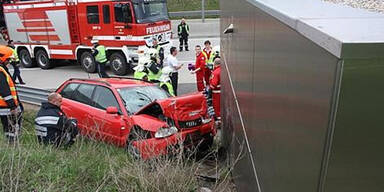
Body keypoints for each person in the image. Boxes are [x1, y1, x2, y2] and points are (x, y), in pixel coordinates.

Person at [0, 45, 22, 143]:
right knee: (11, 127)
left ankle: (11, 142)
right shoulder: (1, 71)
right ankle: (13, 144)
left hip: (5, 107)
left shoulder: (2, 69)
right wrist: (13, 106)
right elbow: (5, 91)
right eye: (8, 60)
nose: (9, 62)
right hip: (6, 107)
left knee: (8, 127)